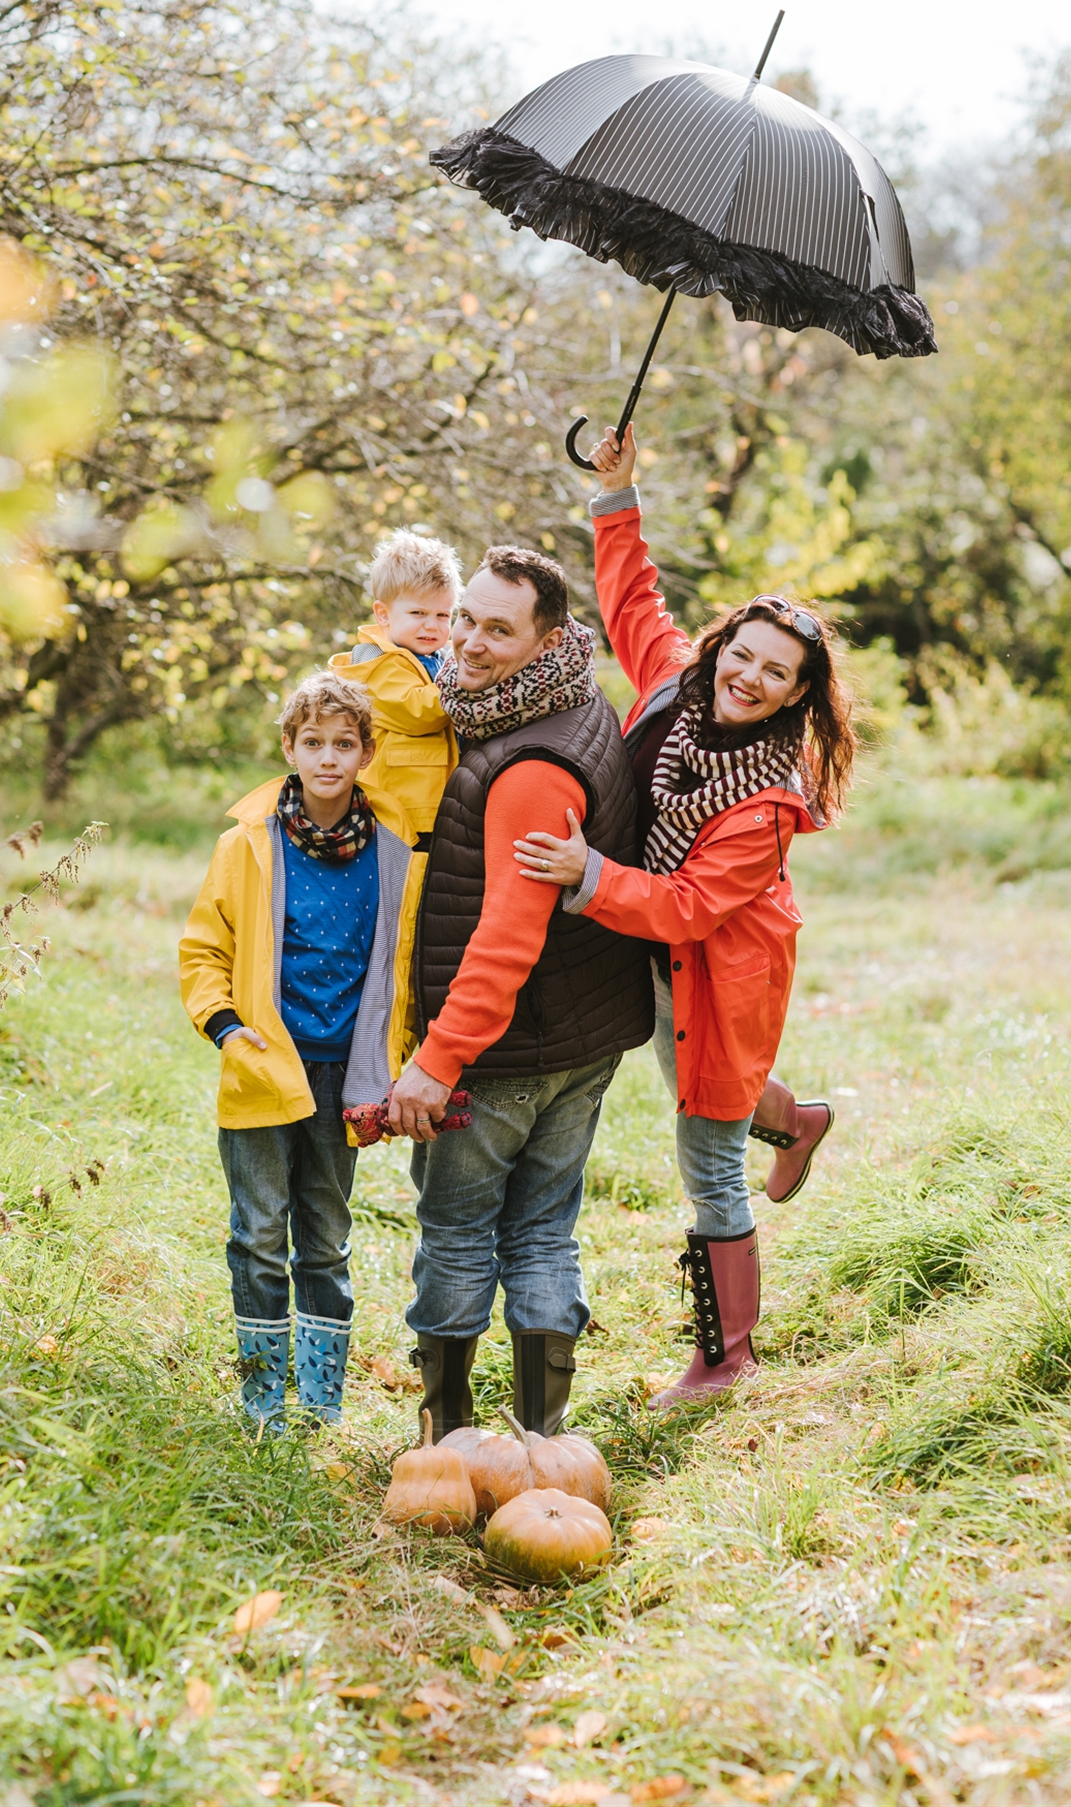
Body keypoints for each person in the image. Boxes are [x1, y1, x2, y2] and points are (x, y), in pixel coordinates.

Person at [513, 424, 856, 1404]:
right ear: (723, 648)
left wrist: (585, 873)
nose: (747, 678)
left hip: (719, 962)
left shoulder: (766, 798)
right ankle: (798, 1121)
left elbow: (694, 906)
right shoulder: (674, 681)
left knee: (706, 1146)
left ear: (797, 696)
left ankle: (726, 1357)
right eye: (742, 656)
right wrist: (615, 494)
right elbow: (630, 598)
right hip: (651, 942)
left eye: (773, 675)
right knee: (716, 1086)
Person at [384, 546, 654, 1440]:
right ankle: (542, 1439)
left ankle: (449, 1442)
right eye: (466, 616)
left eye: (498, 629)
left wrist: (437, 1060)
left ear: (547, 640)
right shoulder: (575, 700)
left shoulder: (530, 768)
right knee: (546, 1227)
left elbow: (506, 939)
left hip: (507, 1052)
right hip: (584, 1031)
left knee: (464, 1235)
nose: (467, 641)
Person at [179, 671, 424, 1430]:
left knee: (324, 1236)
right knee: (257, 1231)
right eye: (312, 742)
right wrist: (223, 1023)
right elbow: (202, 949)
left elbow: (402, 960)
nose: (327, 758)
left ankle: (319, 1403)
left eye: (343, 744)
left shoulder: (392, 851)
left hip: (344, 1075)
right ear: (289, 747)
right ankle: (261, 1401)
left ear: (366, 753)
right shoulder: (247, 846)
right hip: (263, 1065)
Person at [329, 529, 462, 838]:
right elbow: (419, 712)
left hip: (433, 802)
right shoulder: (376, 664)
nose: (433, 624)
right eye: (418, 613)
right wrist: (463, 674)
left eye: (444, 615)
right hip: (402, 806)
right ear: (384, 614)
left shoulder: (434, 657)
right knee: (407, 880)